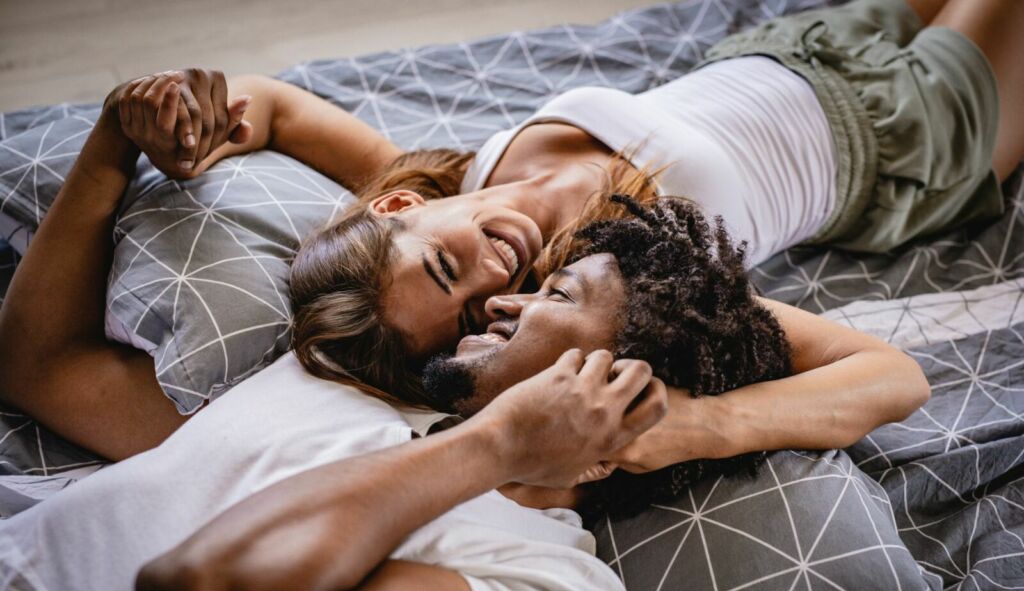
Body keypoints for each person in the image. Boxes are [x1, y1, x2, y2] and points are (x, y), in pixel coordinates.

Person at [0, 195, 930, 591]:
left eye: (555, 298)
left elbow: (201, 589)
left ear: (617, 389)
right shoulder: (355, 380)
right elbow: (42, 368)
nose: (504, 297)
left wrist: (505, 446)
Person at [0, 0, 954, 466]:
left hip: (777, 50)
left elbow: (276, 111)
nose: (493, 275)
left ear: (398, 207)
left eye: (445, 263)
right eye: (474, 312)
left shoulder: (457, 183)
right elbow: (892, 374)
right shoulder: (617, 268)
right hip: (900, 142)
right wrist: (694, 425)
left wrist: (153, 128)